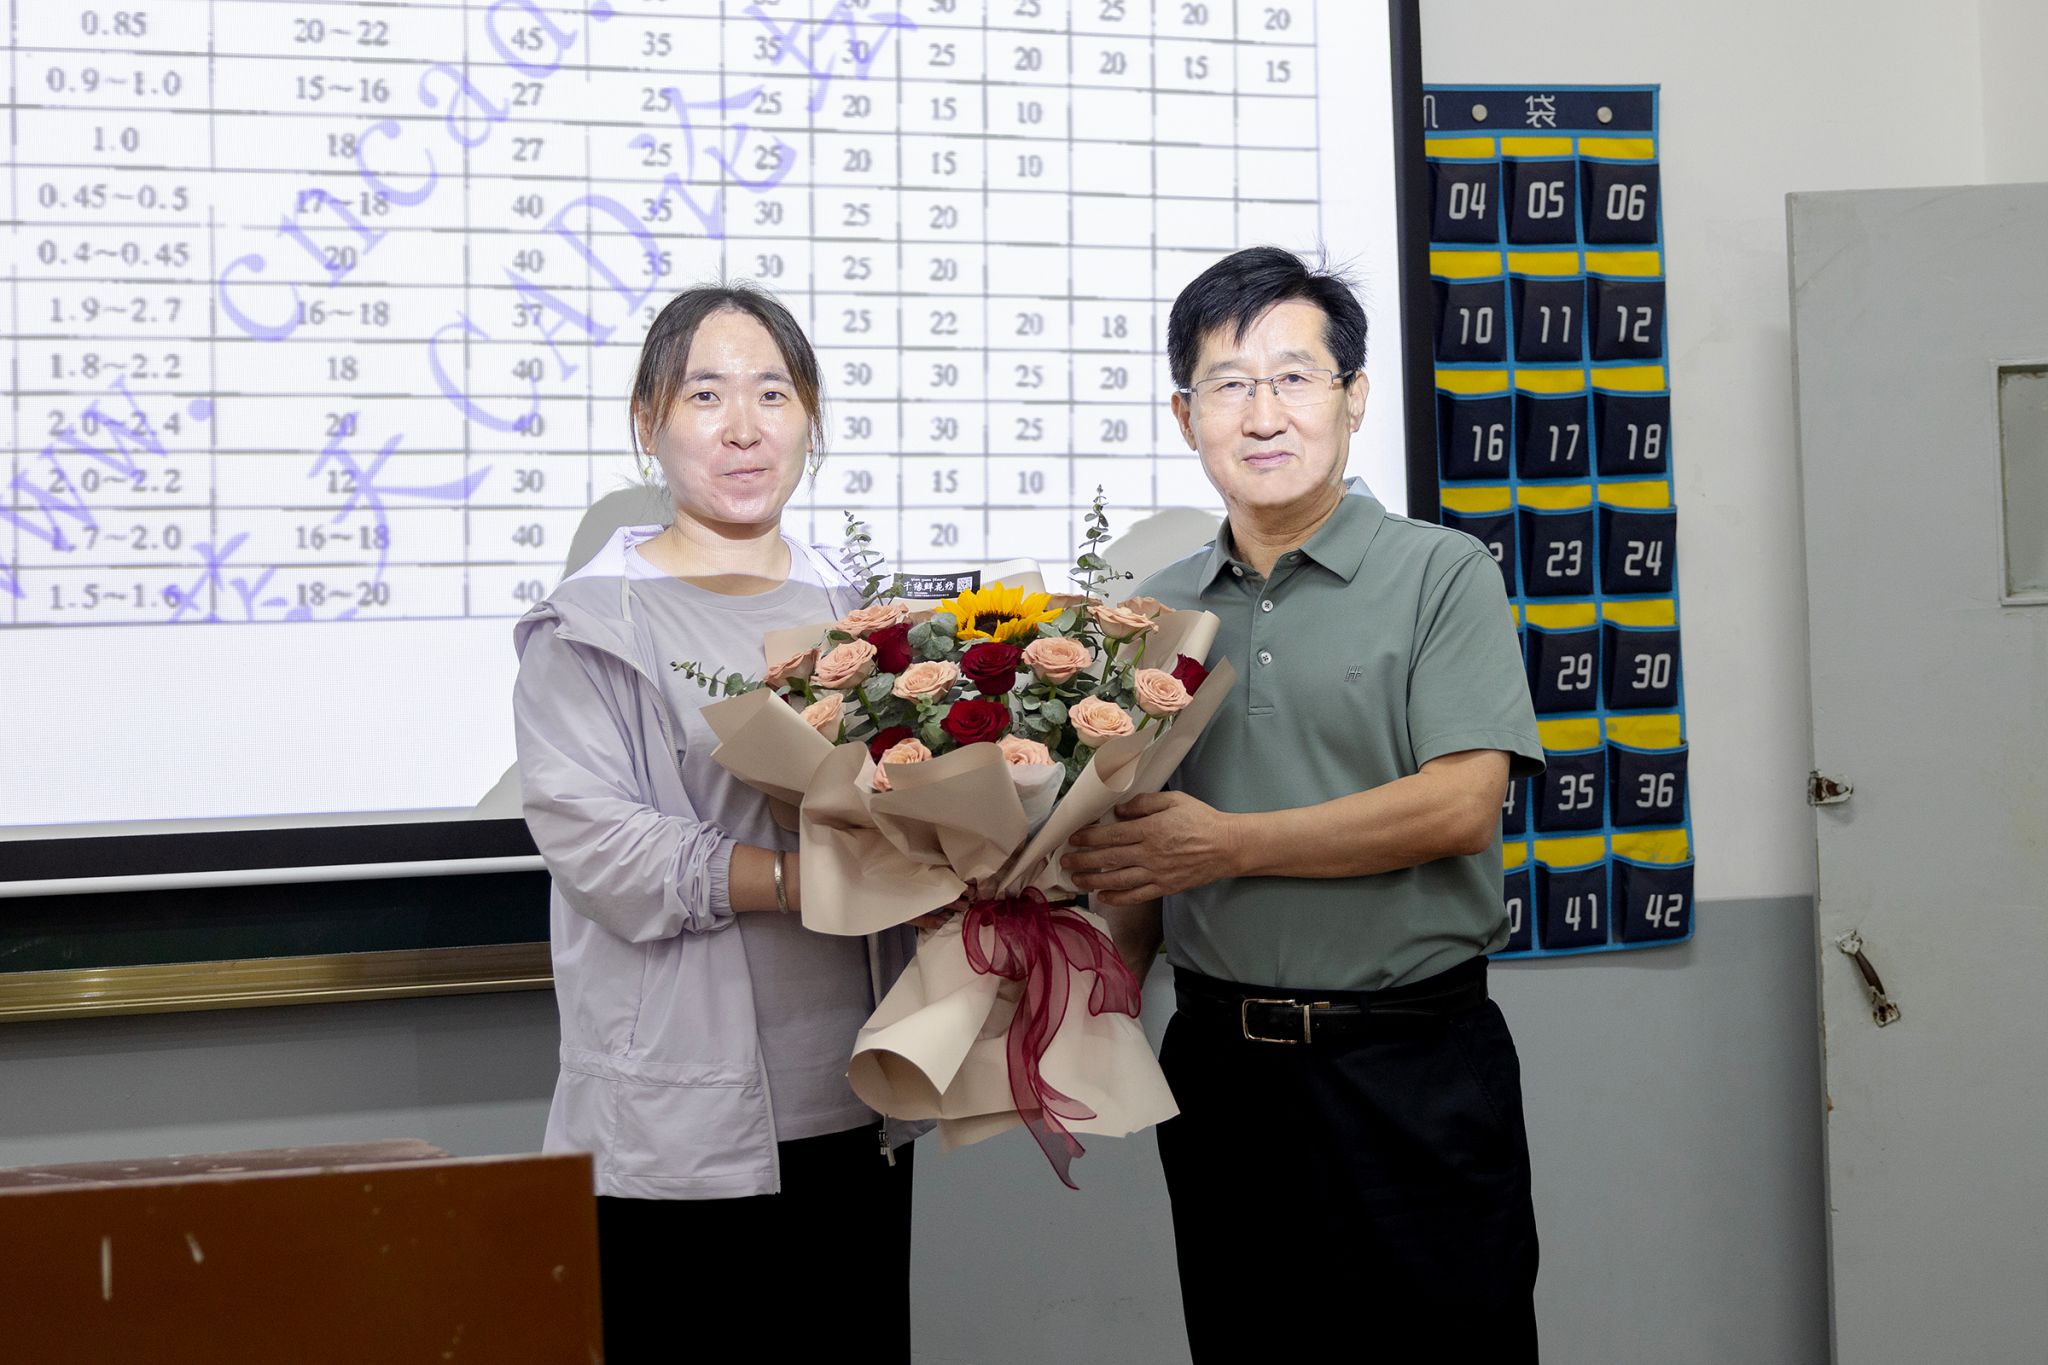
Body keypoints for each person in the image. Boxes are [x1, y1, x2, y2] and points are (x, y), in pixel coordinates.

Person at [1064, 246, 1546, 1359]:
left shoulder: (1441, 572)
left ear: (1353, 398)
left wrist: (1227, 846)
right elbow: (1144, 855)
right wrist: (1077, 1004)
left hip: (1411, 1065)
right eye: (1228, 384)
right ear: (1185, 415)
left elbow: (1460, 807)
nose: (1262, 413)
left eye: (1294, 377)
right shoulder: (1152, 614)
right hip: (1221, 1075)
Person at [512, 285, 924, 1362]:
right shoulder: (587, 626)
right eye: (705, 395)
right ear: (647, 422)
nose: (744, 427)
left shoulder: (868, 615)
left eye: (772, 394)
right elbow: (602, 848)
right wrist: (801, 881)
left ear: (810, 417)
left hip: (857, 1101)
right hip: (676, 1130)